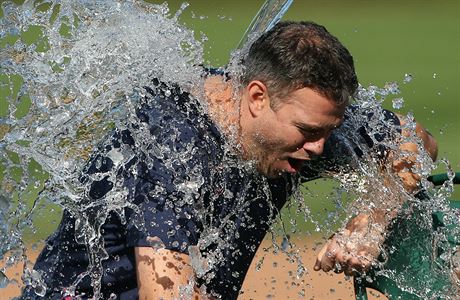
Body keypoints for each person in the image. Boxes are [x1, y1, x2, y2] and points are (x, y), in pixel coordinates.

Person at [21, 21, 437, 299]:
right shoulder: (171, 144)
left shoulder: (301, 130)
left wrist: (371, 221)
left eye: (329, 131)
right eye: (309, 132)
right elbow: (168, 293)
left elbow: (416, 143)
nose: (320, 149)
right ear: (257, 97)